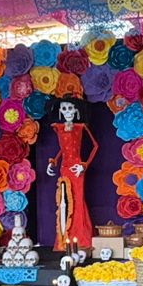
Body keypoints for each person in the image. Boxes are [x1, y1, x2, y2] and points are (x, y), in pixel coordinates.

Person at [45, 98, 97, 252]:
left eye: (69, 108)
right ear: (60, 111)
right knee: (64, 202)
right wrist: (54, 161)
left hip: (76, 168)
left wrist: (84, 165)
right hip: (64, 168)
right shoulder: (58, 127)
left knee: (77, 200)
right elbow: (63, 148)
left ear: (76, 111)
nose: (67, 112)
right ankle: (64, 239)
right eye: (64, 109)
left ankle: (81, 238)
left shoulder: (80, 127)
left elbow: (95, 146)